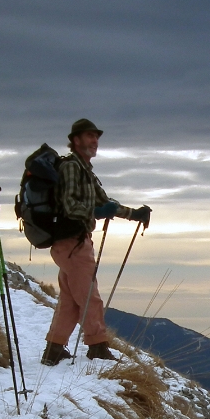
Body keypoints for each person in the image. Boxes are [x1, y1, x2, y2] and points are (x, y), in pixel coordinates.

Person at [41, 119, 150, 366]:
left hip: (72, 242)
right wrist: (98, 212)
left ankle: (54, 349)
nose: (94, 141)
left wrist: (134, 213)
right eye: (89, 136)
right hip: (72, 242)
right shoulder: (71, 168)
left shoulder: (85, 170)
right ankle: (98, 347)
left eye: (96, 137)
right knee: (90, 296)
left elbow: (105, 201)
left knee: (70, 298)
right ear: (76, 140)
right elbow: (70, 206)